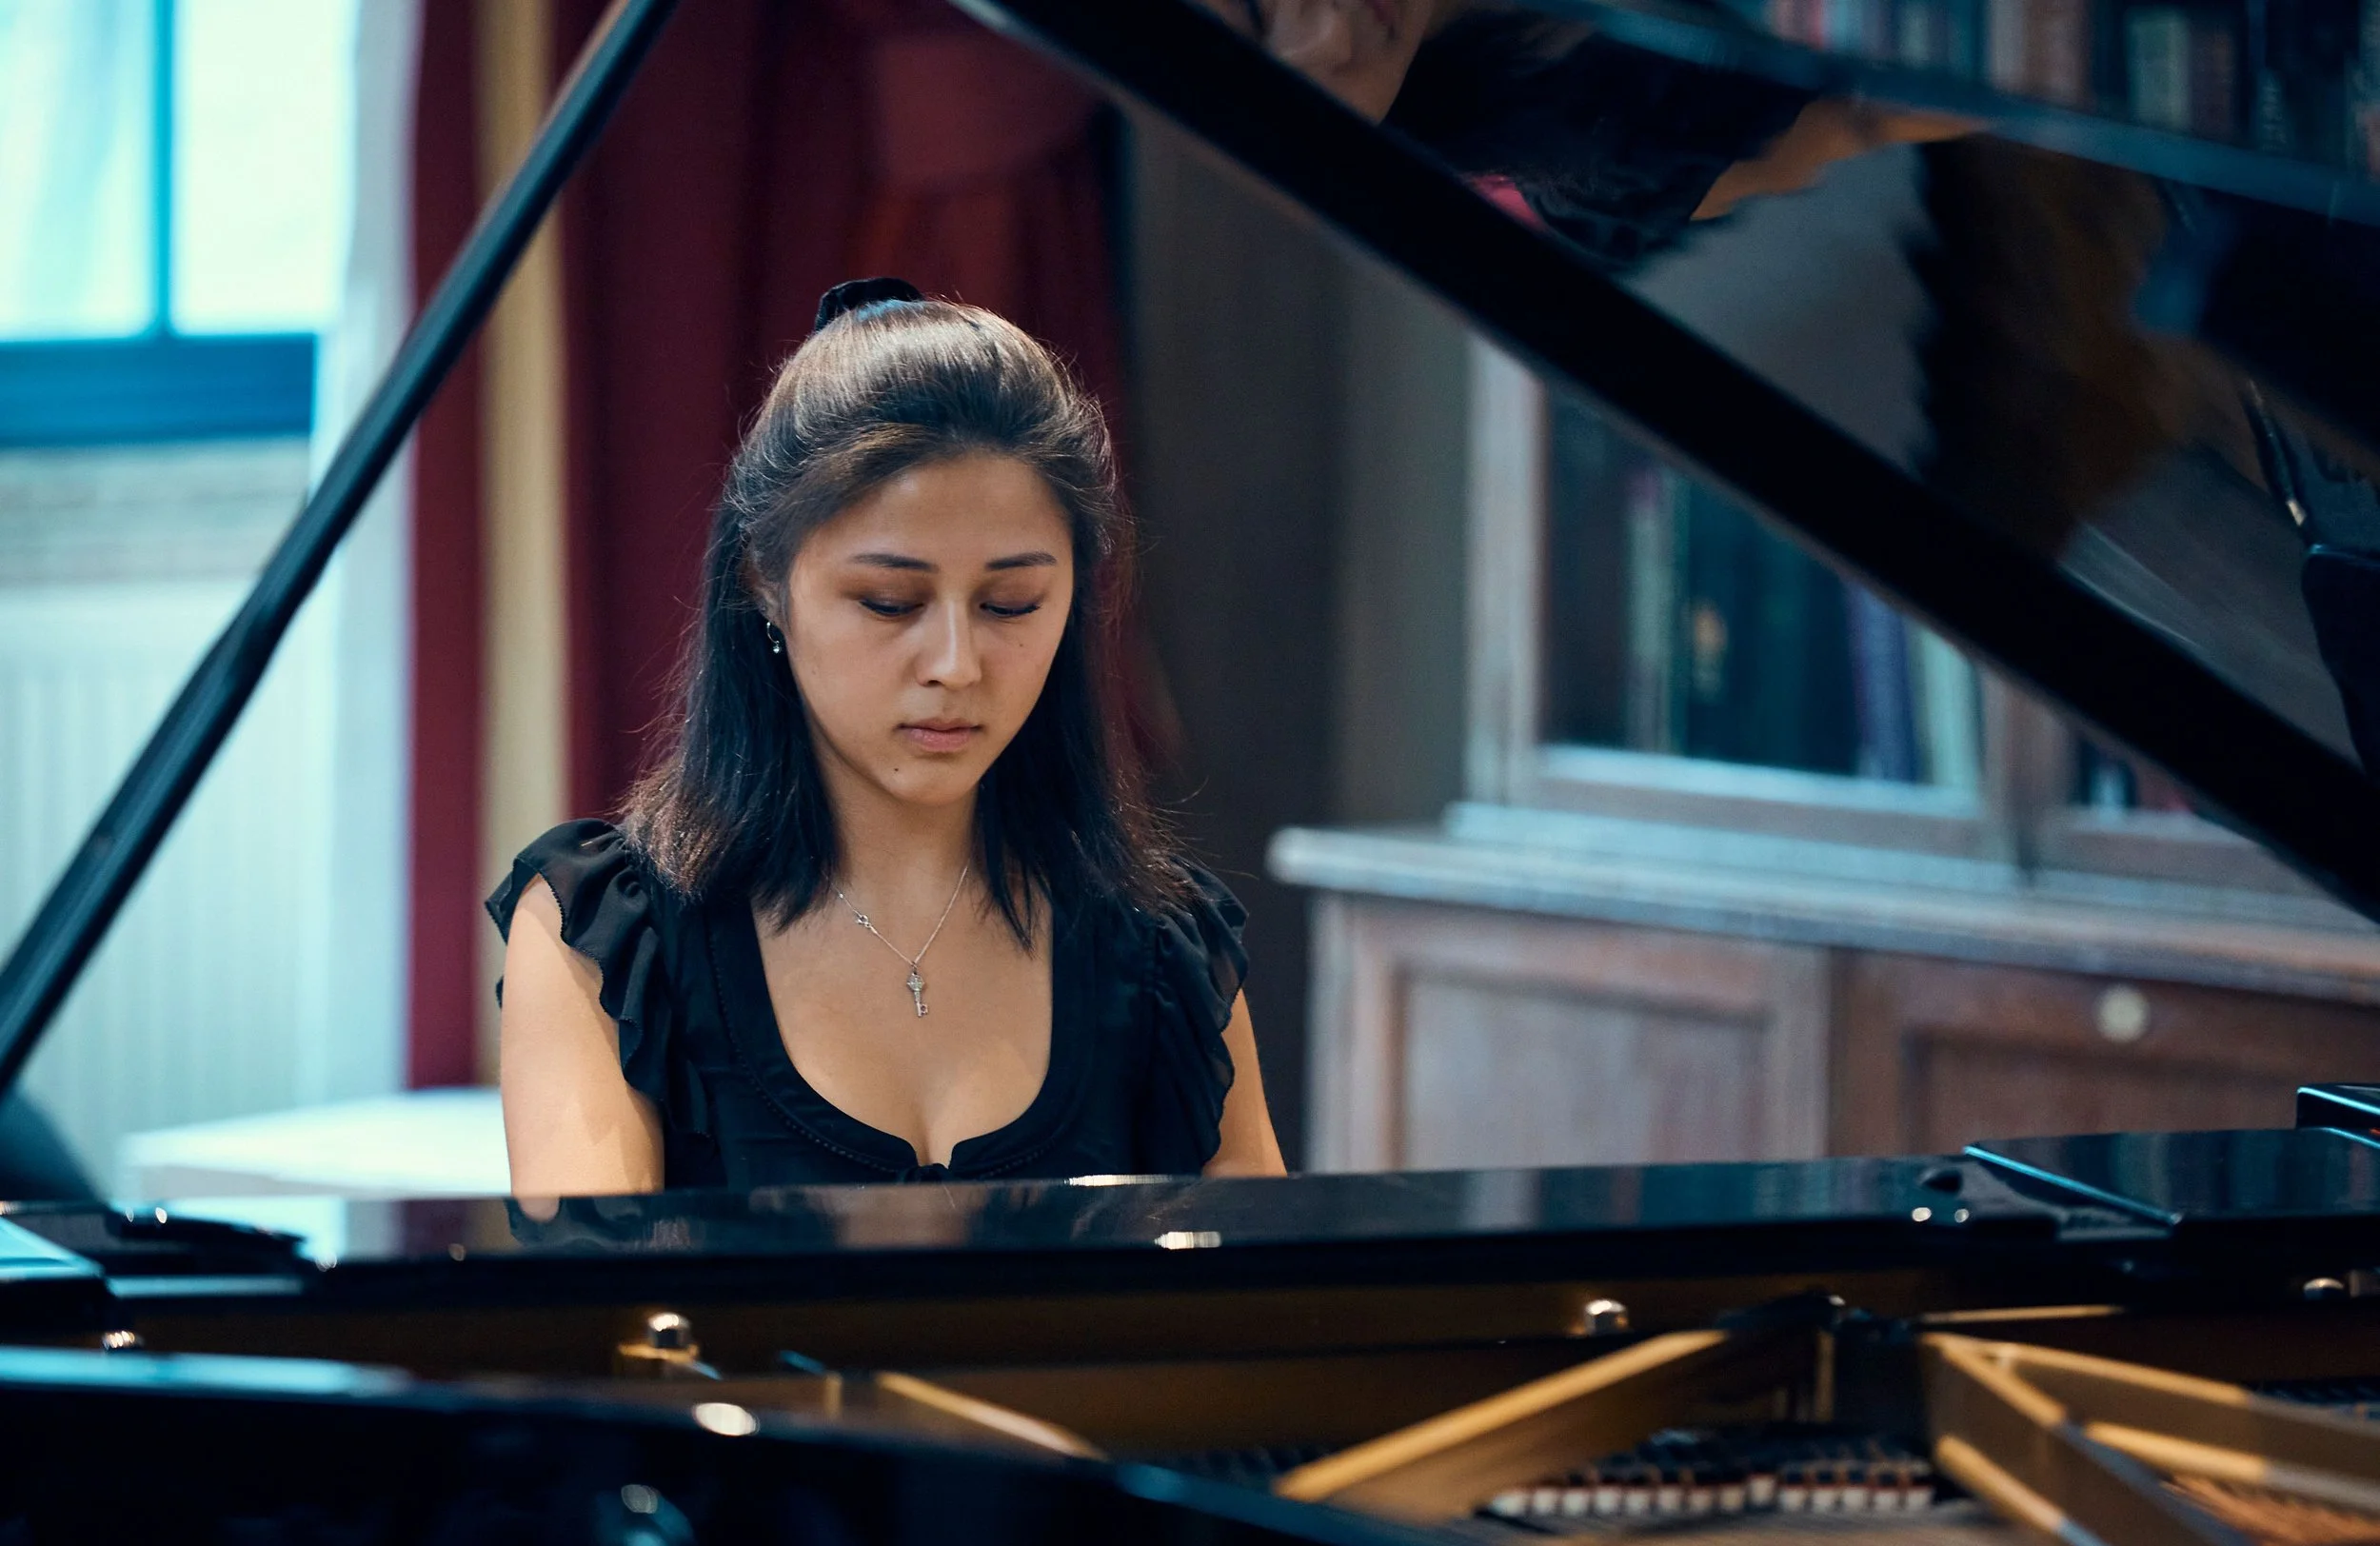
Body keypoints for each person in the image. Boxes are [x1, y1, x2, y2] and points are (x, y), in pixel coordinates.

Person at [488, 281, 1287, 1194]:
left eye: (1011, 604)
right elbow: (605, 1325)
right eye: (890, 602)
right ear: (763, 581)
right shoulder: (609, 936)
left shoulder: (1162, 949)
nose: (956, 663)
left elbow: (1254, 1313)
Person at [1195, 0, 1972, 270]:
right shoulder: (1609, 169)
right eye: (1286, 104)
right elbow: (1873, 109)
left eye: (1265, 5)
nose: (1329, 38)